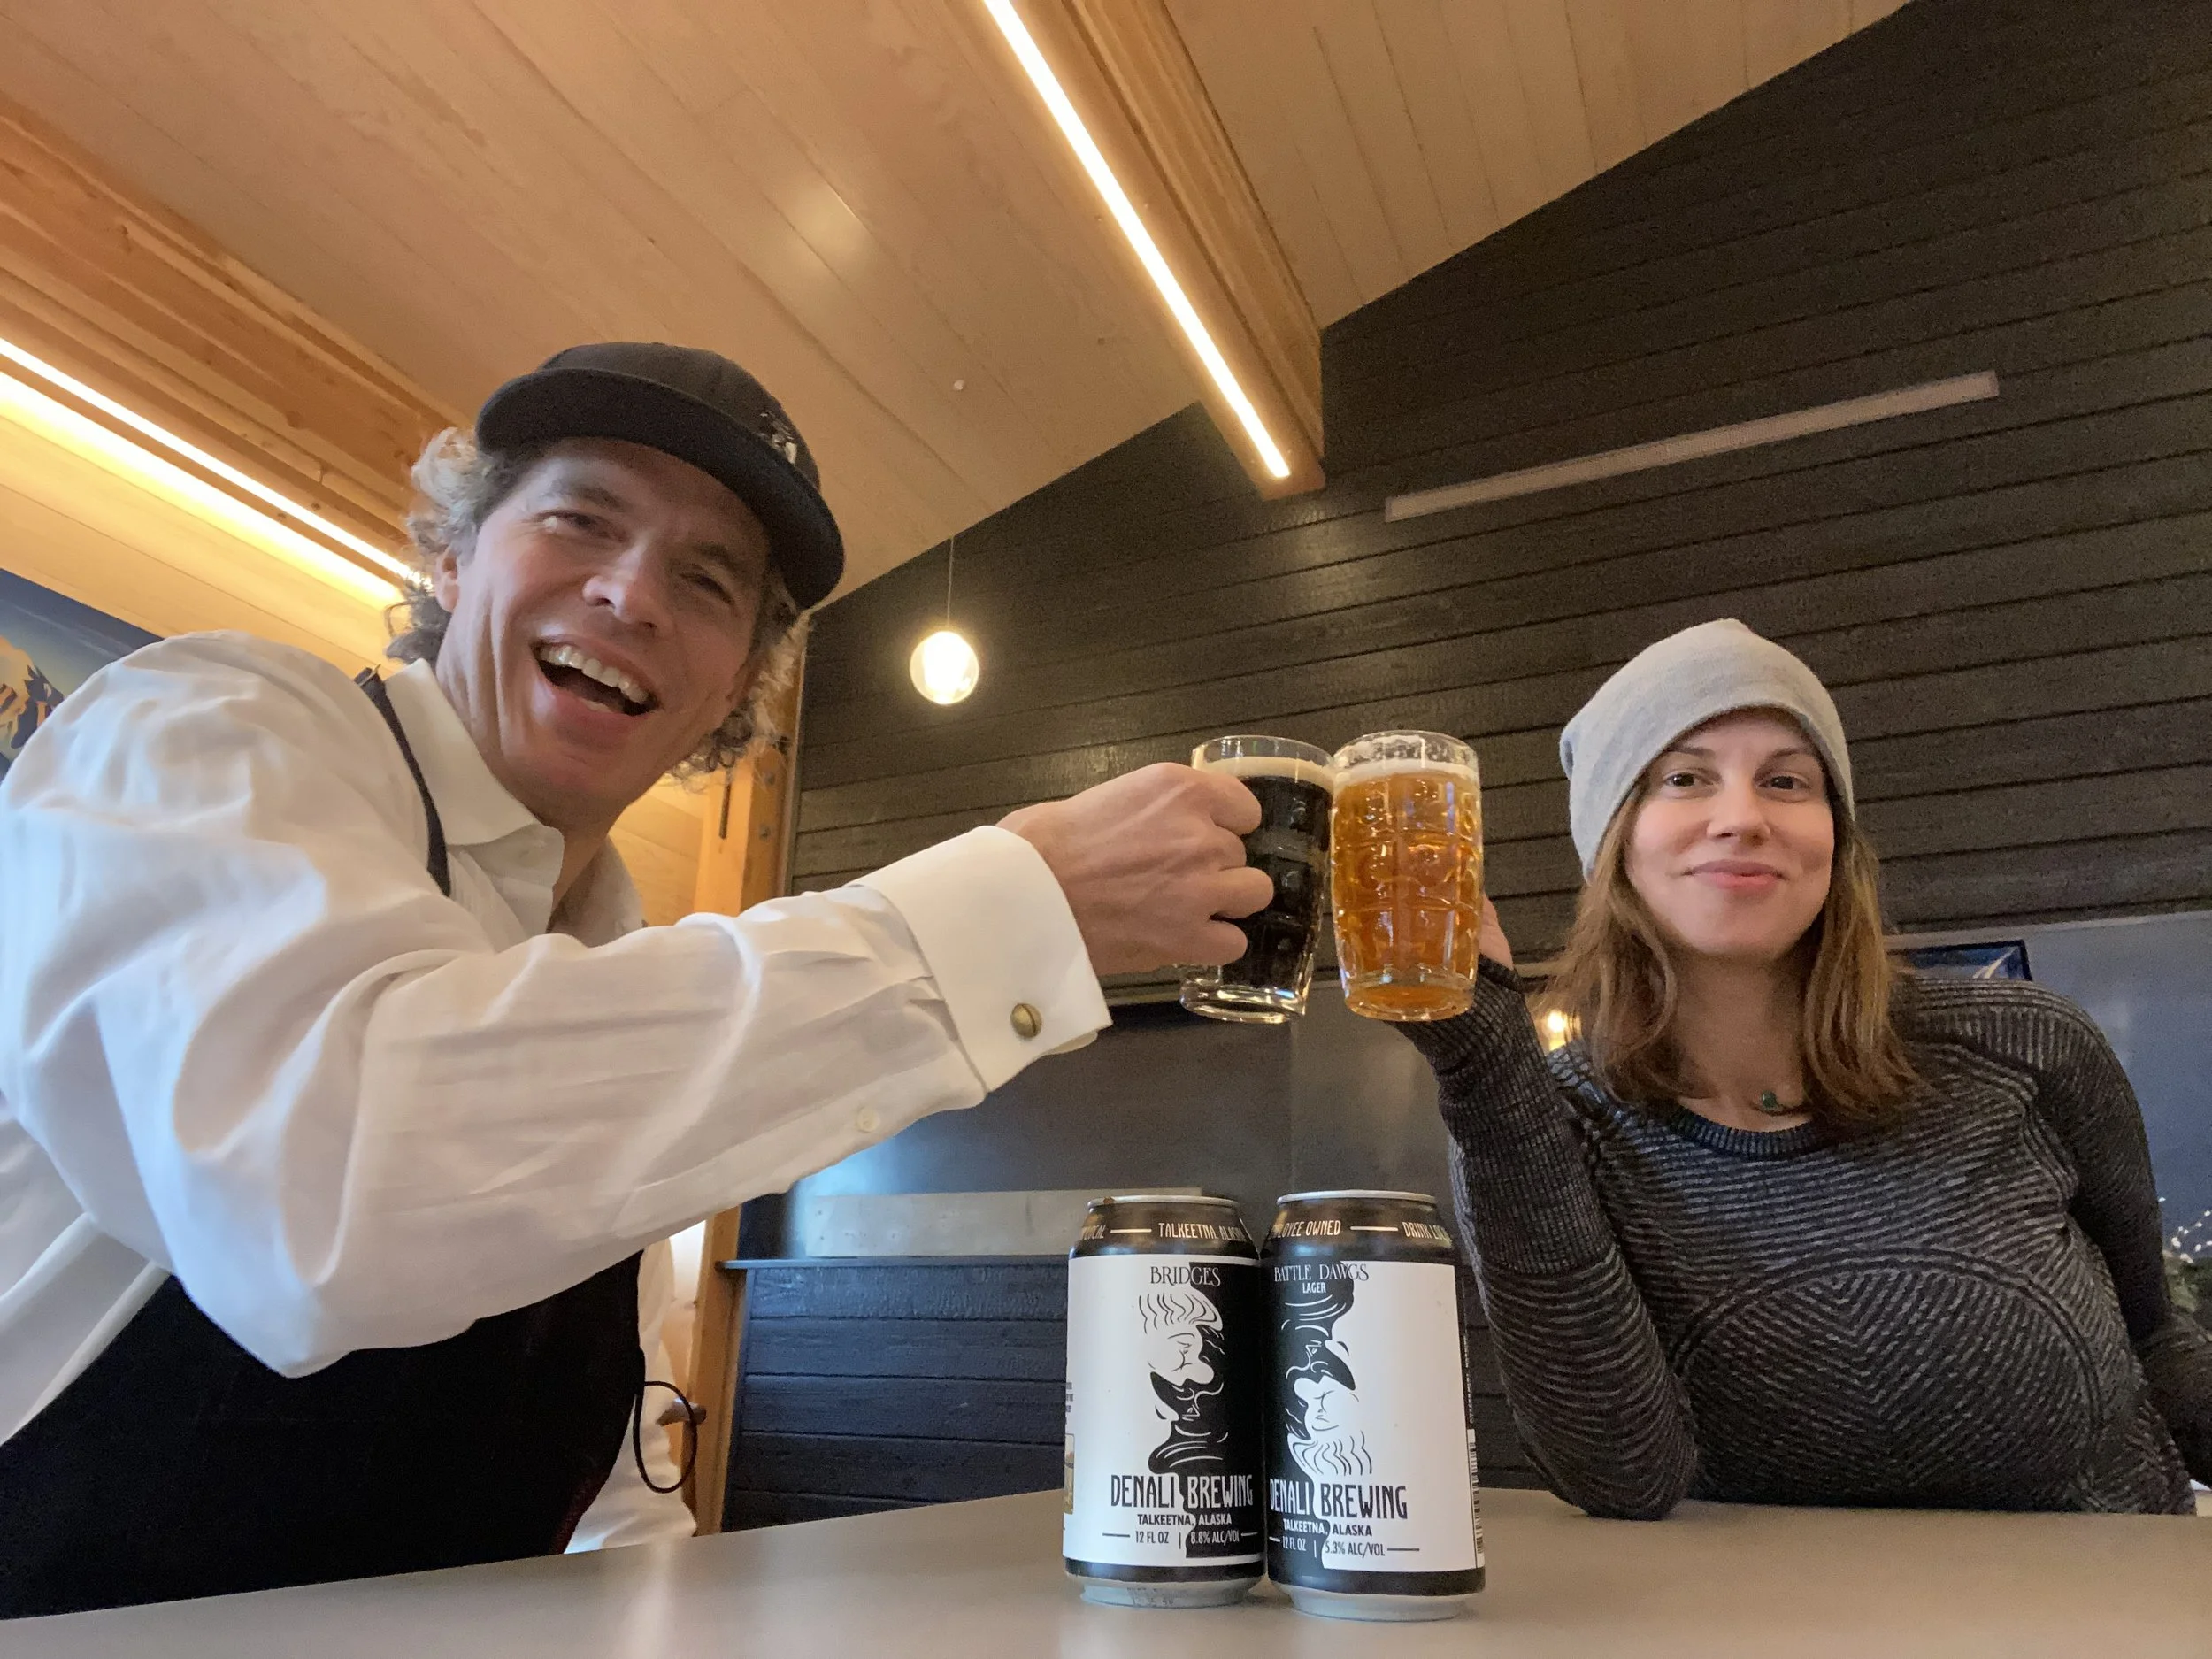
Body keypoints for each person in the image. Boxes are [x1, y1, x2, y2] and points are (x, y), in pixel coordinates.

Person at [0, 342, 1274, 1616]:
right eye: (579, 518)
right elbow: (320, 1194)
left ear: (733, 686)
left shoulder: (615, 996)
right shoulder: (206, 732)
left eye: (707, 579)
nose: (632, 591)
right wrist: (1008, 908)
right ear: (452, 556)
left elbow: (609, 1496)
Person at [1400, 618, 2212, 1518]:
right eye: (1684, 777)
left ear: (1833, 838)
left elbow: (2156, 1339)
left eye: (1786, 780)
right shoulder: (1543, 1122)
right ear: (1615, 845)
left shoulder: (2026, 1044)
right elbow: (1624, 1475)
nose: (1742, 816)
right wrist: (1486, 1069)